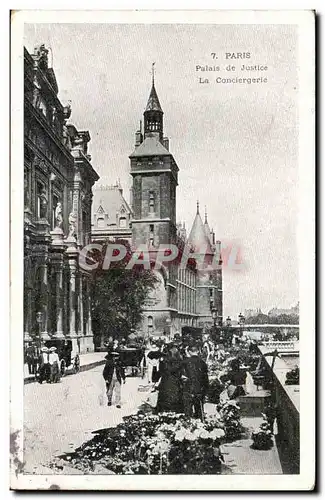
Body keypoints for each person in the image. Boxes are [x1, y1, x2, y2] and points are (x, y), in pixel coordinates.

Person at [182, 344, 209, 421]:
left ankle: (188, 425)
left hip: (188, 388)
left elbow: (180, 374)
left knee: (188, 411)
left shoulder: (186, 362)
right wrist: (206, 390)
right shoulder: (203, 363)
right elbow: (205, 378)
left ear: (189, 352)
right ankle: (201, 425)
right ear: (197, 351)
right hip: (200, 389)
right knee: (199, 410)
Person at [156, 345, 184, 413]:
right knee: (175, 398)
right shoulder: (179, 360)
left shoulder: (164, 360)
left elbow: (161, 371)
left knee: (165, 398)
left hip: (166, 381)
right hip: (175, 382)